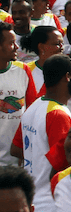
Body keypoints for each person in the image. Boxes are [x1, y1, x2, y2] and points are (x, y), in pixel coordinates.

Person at [12, 53, 71, 212]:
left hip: (33, 211)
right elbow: (63, 167)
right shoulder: (59, 114)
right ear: (67, 77)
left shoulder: (34, 106)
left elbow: (16, 149)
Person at [0, 21, 34, 166]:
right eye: (11, 43)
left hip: (19, 162)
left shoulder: (23, 70)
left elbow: (32, 113)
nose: (17, 47)